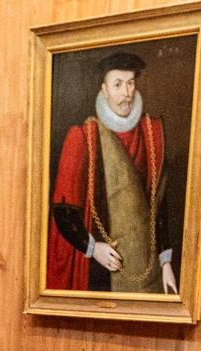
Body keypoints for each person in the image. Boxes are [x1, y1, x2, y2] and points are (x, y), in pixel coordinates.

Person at [47, 50, 185, 294]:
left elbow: (159, 205)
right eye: (118, 84)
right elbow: (63, 212)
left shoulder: (151, 135)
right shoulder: (83, 137)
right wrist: (93, 248)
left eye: (130, 83)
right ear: (104, 89)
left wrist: (166, 264)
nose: (126, 93)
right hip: (103, 271)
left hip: (148, 267)